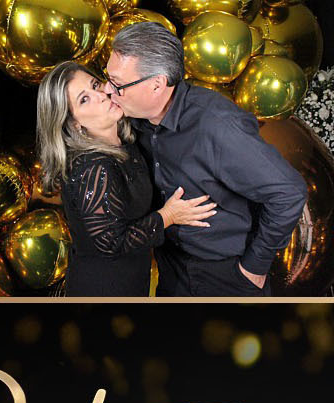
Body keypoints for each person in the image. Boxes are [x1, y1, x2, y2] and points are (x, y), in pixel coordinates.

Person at [105, 23, 308, 297]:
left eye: (117, 84)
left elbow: (289, 192)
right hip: (171, 266)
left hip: (224, 274)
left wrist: (254, 267)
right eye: (107, 78)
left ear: (157, 84)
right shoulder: (136, 120)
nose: (107, 89)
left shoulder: (218, 126)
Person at [36, 61, 217, 297]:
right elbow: (111, 243)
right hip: (103, 290)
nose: (100, 95)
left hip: (130, 281)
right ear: (73, 123)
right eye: (84, 99)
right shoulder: (94, 168)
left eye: (95, 85)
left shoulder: (124, 143)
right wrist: (168, 216)